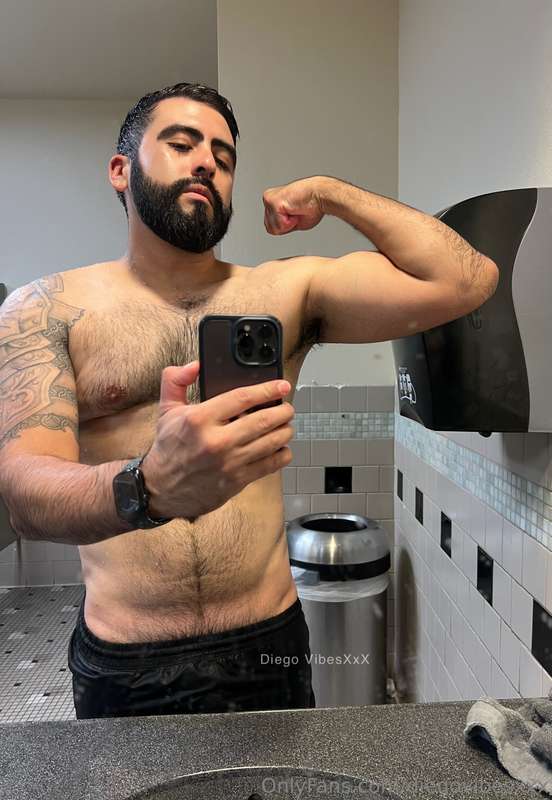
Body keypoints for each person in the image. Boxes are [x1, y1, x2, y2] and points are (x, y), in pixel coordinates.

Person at [0, 82, 499, 719]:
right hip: (126, 659)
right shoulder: (48, 308)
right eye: (181, 144)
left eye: (224, 157)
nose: (206, 162)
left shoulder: (287, 292)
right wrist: (148, 487)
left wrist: (331, 192)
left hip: (268, 645)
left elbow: (467, 279)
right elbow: (24, 493)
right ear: (121, 170)